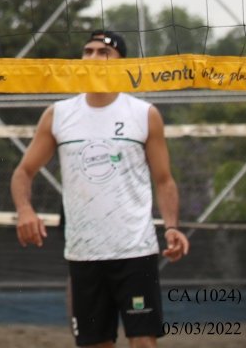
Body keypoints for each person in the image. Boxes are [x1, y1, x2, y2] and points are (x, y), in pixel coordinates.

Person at [11, 30, 189, 348]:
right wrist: (25, 210)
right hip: (84, 253)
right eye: (88, 51)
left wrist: (172, 227)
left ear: (121, 63)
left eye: (103, 52)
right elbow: (23, 172)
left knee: (143, 342)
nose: (93, 57)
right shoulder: (59, 115)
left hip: (135, 251)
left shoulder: (144, 114)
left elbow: (164, 180)